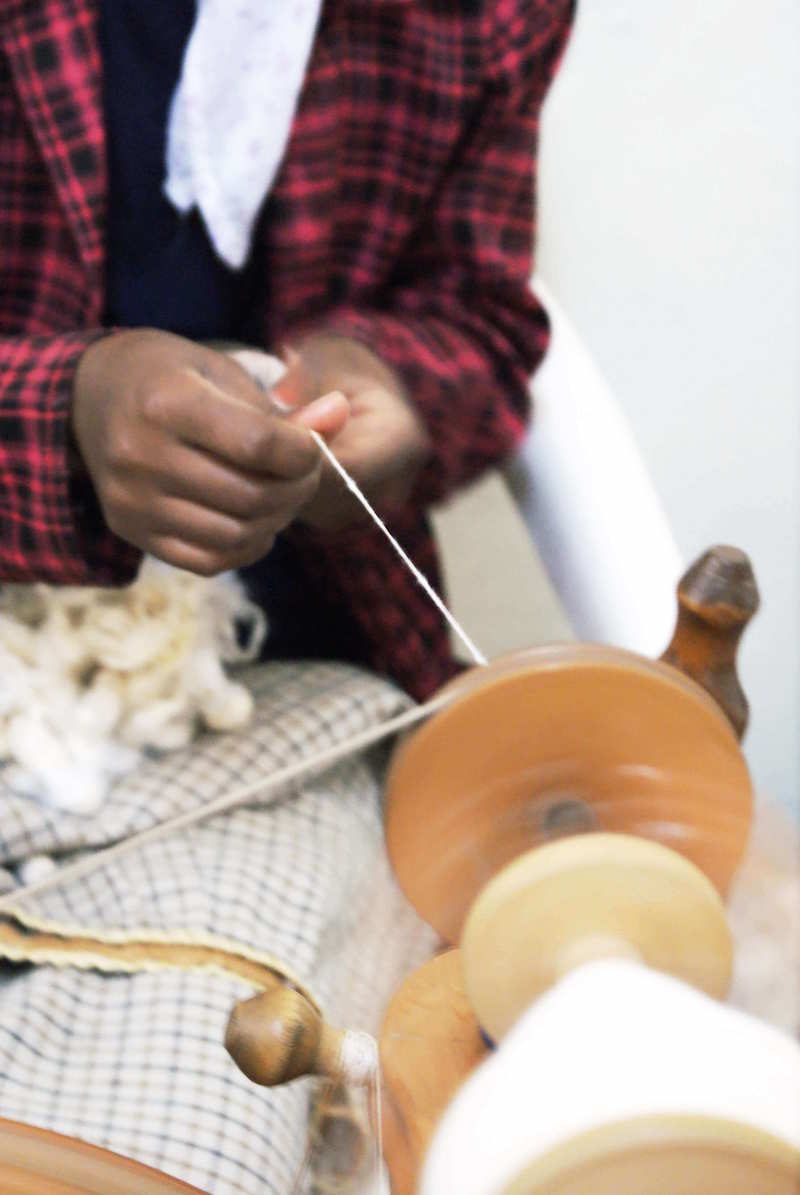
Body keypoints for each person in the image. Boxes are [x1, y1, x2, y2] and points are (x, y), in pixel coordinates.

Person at [0, 0, 574, 700]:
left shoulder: (495, 15)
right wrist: (61, 414)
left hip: (292, 642)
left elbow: (480, 323)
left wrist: (389, 383)